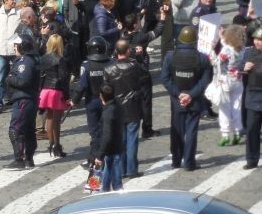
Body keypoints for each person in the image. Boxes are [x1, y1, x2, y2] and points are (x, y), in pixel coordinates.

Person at [161, 26, 213, 170]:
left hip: (176, 99)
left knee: (176, 130)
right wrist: (191, 94)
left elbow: (165, 78)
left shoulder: (170, 56)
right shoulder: (202, 58)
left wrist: (178, 94)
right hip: (194, 98)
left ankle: (176, 161)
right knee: (191, 131)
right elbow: (206, 79)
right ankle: (189, 163)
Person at [103, 39, 151, 178]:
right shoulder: (135, 66)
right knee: (132, 139)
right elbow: (146, 76)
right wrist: (142, 57)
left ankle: (122, 170)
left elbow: (105, 89)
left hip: (116, 107)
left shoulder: (108, 69)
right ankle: (131, 169)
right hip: (133, 106)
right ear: (128, 51)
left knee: (120, 140)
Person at [72, 36, 110, 169]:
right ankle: (103, 157)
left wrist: (74, 100)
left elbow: (81, 86)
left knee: (95, 132)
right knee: (106, 129)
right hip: (108, 101)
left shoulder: (87, 65)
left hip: (92, 101)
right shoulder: (110, 63)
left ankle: (93, 158)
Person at [5, 36, 40, 169]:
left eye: (16, 45)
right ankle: (29, 159)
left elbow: (24, 81)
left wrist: (10, 79)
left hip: (23, 99)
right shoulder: (30, 59)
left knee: (15, 129)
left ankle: (19, 158)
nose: (14, 47)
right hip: (28, 99)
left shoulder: (25, 62)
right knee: (29, 130)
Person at [212, 24, 245, 147]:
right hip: (238, 79)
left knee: (224, 109)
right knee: (236, 107)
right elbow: (227, 46)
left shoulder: (227, 49)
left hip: (226, 80)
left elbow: (216, 61)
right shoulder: (242, 48)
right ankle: (237, 132)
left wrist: (211, 51)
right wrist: (221, 38)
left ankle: (225, 134)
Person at [38, 34, 71, 158]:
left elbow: (41, 76)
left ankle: (51, 143)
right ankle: (57, 145)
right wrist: (67, 96)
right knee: (57, 121)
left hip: (45, 90)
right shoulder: (60, 59)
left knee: (49, 119)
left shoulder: (44, 58)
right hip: (56, 91)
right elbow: (63, 78)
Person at [238, 27, 262, 169]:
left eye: (260, 40)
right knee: (252, 131)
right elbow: (239, 67)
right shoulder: (249, 52)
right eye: (256, 39)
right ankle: (252, 159)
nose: (257, 42)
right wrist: (244, 67)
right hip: (253, 98)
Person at [94, 83, 125, 192]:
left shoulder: (108, 112)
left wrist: (99, 155)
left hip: (110, 151)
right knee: (114, 180)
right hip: (117, 147)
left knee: (108, 182)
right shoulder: (117, 106)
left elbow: (107, 136)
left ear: (101, 96)